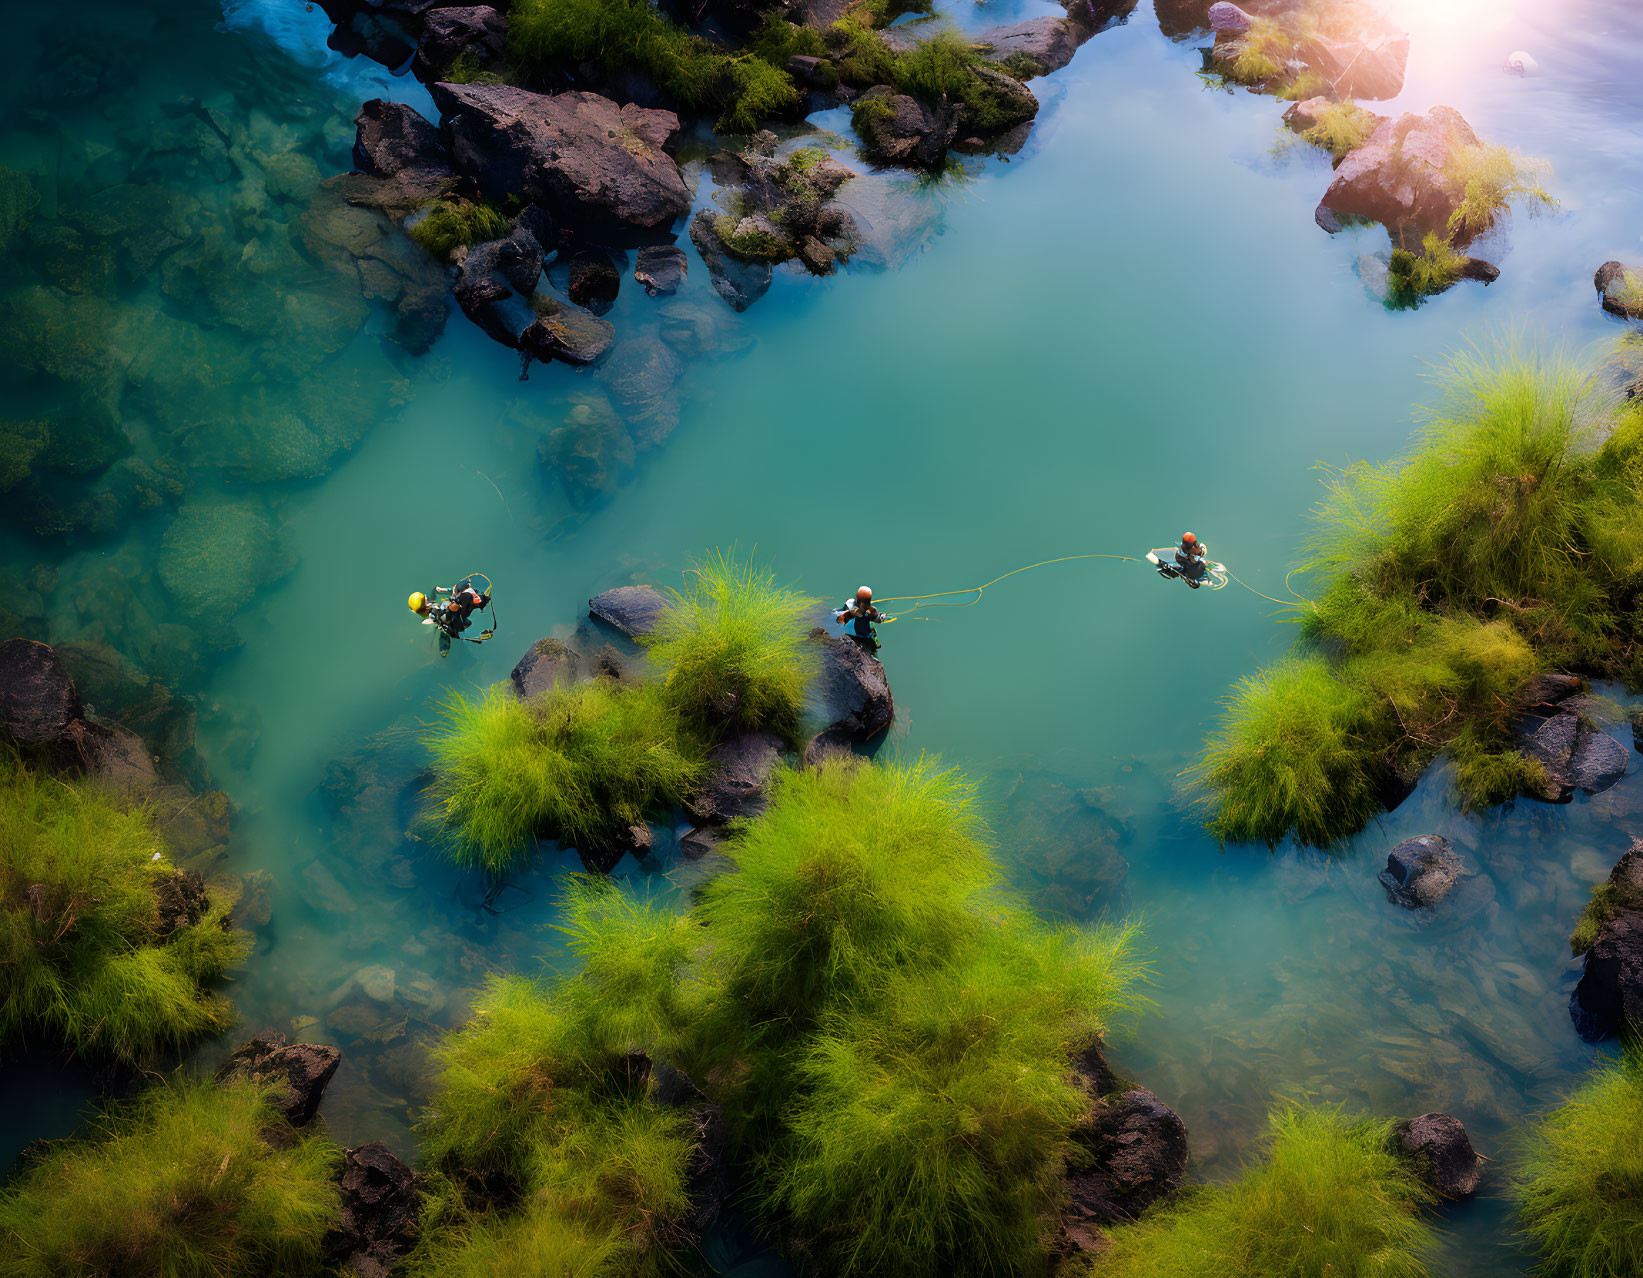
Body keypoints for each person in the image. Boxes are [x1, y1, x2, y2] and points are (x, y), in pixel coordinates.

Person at [408, 579, 492, 656]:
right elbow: (447, 615)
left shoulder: (427, 610)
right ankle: (478, 636)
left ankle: (446, 636)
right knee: (462, 625)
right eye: (424, 598)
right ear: (425, 602)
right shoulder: (436, 612)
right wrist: (454, 603)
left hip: (443, 620)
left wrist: (440, 590)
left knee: (446, 627)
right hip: (450, 622)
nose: (426, 596)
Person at [835, 586, 890, 654]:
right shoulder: (871, 611)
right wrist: (883, 616)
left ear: (857, 597)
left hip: (855, 634)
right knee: (873, 647)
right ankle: (874, 651)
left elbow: (841, 611)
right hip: (866, 637)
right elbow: (878, 619)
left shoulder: (851, 605)